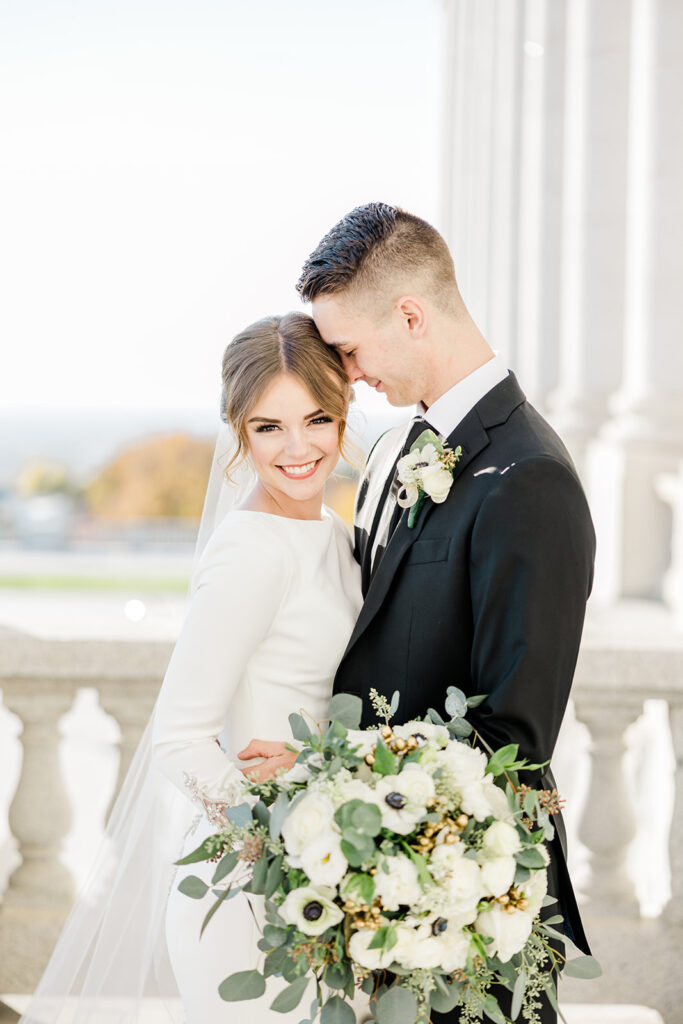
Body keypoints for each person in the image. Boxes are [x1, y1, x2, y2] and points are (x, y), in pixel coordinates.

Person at [15, 312, 370, 1024]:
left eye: (317, 419)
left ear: (343, 416)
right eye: (268, 426)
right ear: (237, 432)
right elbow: (179, 740)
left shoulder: (334, 535)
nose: (297, 447)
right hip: (250, 889)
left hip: (323, 870)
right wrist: (283, 834)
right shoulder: (251, 550)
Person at [288, 202, 595, 1024]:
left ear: (412, 315)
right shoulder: (392, 450)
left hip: (467, 908)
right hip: (377, 899)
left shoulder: (531, 478)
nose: (346, 374)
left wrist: (388, 854)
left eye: (349, 349)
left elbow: (512, 737)